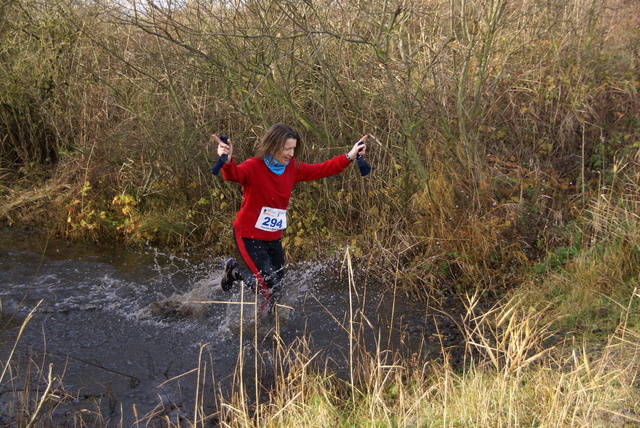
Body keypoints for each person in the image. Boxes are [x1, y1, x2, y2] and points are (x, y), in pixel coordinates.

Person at [212, 123, 368, 314]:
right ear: (273, 146)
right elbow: (234, 175)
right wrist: (228, 161)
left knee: (277, 287)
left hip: (273, 237)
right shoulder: (254, 166)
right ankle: (263, 325)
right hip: (248, 235)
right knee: (267, 287)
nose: (291, 154)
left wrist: (350, 156)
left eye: (293, 149)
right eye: (287, 149)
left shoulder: (292, 168)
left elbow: (322, 169)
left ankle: (242, 283)